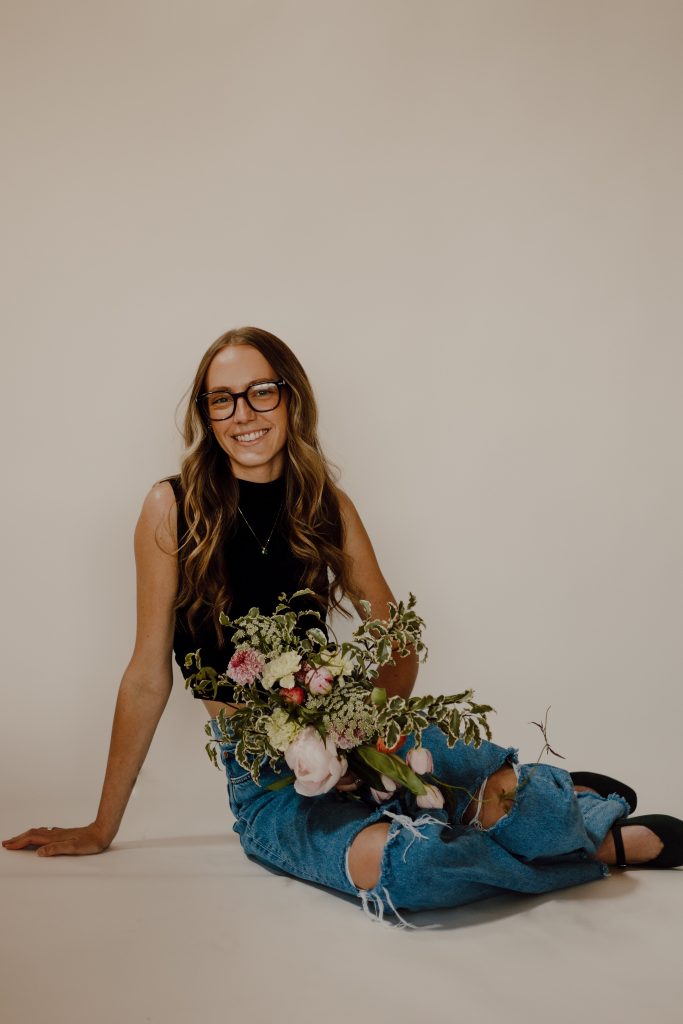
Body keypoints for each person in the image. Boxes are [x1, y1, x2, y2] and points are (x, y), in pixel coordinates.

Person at [3, 326, 681, 927]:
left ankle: (536, 812)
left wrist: (366, 731)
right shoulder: (172, 507)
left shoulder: (326, 504)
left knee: (480, 780)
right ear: (206, 415)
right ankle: (593, 837)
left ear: (290, 398)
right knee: (411, 873)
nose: (242, 413)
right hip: (271, 784)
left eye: (259, 392)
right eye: (221, 398)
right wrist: (101, 826)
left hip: (366, 738)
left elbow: (396, 635)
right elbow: (147, 676)